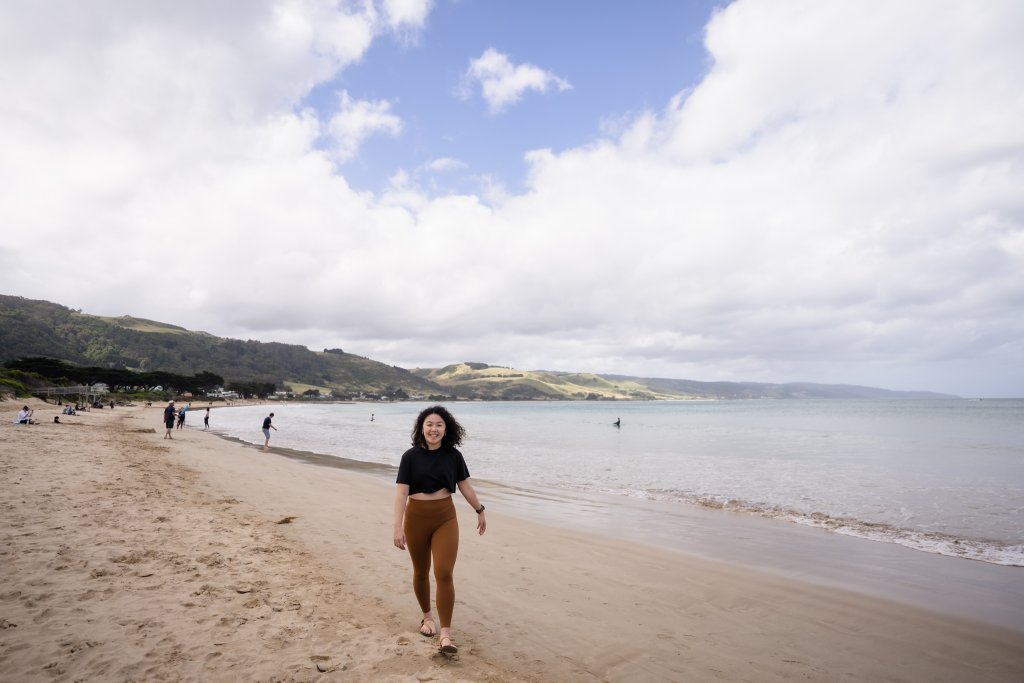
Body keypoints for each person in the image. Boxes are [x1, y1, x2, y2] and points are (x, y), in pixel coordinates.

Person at [392, 405, 486, 656]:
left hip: (445, 517)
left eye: (439, 425)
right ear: (421, 428)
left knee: (444, 572)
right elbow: (401, 492)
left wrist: (479, 509)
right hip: (415, 518)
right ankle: (427, 618)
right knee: (421, 571)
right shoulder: (409, 457)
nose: (434, 429)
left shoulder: (453, 456)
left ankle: (445, 634)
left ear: (447, 429)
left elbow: (464, 485)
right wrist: (397, 526)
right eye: (429, 424)